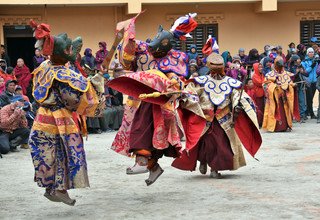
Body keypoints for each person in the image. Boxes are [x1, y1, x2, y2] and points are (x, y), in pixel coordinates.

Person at [108, 13, 197, 185]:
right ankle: (153, 167)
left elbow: (176, 80)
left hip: (156, 103)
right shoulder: (142, 47)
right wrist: (129, 34)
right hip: (138, 99)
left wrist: (173, 82)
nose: (155, 50)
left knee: (142, 131)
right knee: (146, 136)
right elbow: (126, 57)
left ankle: (142, 162)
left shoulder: (174, 59)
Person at [28, 20, 105, 205]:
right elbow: (73, 100)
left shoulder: (44, 67)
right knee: (63, 154)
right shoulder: (62, 75)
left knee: (47, 156)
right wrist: (96, 88)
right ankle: (60, 190)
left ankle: (52, 188)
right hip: (59, 120)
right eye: (70, 50)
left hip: (41, 119)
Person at [172, 52, 262, 178]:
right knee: (202, 144)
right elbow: (190, 93)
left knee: (220, 145)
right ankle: (203, 161)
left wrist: (238, 105)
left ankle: (214, 168)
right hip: (204, 118)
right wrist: (185, 97)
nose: (217, 71)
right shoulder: (201, 81)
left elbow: (238, 97)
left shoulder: (231, 82)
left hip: (223, 119)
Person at [263, 56, 299, 132]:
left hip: (284, 98)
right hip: (274, 98)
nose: (280, 67)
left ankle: (284, 126)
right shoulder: (269, 74)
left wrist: (292, 85)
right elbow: (265, 85)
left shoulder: (286, 74)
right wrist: (274, 86)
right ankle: (274, 127)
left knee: (284, 112)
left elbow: (290, 83)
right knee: (274, 111)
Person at [288, 55, 308, 122]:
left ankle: (302, 116)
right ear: (295, 60)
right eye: (298, 59)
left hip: (301, 85)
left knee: (302, 101)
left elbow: (306, 74)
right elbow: (291, 77)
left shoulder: (301, 66)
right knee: (294, 101)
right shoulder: (291, 67)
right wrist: (296, 72)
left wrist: (303, 72)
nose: (299, 60)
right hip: (294, 86)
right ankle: (294, 116)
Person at [301, 48, 318, 119]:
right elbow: (305, 72)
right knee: (309, 98)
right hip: (307, 82)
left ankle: (308, 111)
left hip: (314, 81)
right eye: (310, 52)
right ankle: (311, 114)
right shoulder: (304, 62)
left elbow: (318, 70)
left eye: (312, 52)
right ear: (307, 53)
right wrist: (312, 66)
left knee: (311, 97)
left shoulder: (315, 61)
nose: (311, 53)